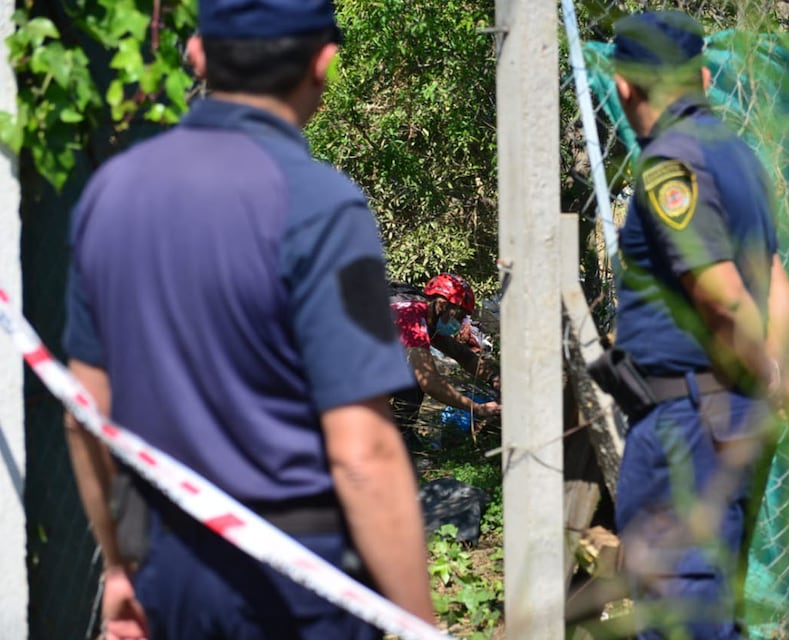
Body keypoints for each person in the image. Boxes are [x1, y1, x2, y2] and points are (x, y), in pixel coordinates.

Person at [61, 1, 434, 638]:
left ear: (199, 54)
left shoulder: (112, 192)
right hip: (297, 582)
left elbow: (85, 416)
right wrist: (419, 623)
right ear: (324, 61)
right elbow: (363, 452)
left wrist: (121, 568)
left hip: (167, 567)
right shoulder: (322, 207)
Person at [602, 10, 789, 639]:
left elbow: (722, 297)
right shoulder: (741, 161)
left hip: (686, 427)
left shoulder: (670, 163)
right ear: (701, 75)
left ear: (624, 84)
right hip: (734, 415)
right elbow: (775, 277)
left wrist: (770, 372)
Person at [390, 273, 501, 452]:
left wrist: (494, 378)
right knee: (413, 377)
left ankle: (400, 438)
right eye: (459, 316)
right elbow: (430, 382)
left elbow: (462, 354)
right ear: (442, 305)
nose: (460, 322)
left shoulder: (425, 311)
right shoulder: (411, 317)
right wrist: (477, 408)